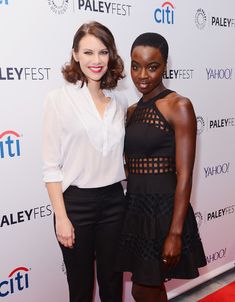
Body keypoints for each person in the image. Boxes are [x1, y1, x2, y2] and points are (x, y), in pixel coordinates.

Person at [115, 32, 207, 302]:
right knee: (143, 288)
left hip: (164, 213)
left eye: (152, 66)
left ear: (165, 66)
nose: (142, 74)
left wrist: (175, 233)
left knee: (145, 289)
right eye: (135, 65)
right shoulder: (131, 111)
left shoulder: (178, 106)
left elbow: (185, 174)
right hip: (136, 209)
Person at [42, 21, 127, 302]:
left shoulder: (120, 102)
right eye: (88, 52)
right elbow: (51, 167)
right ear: (75, 55)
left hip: (115, 201)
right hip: (75, 205)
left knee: (113, 283)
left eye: (103, 52)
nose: (96, 60)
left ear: (110, 56)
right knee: (80, 288)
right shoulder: (58, 100)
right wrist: (62, 217)